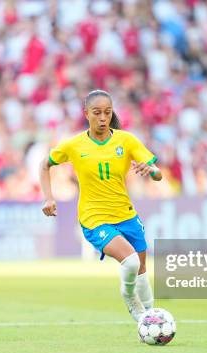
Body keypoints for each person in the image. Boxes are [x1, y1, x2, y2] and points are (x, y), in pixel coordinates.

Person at [39, 89, 163, 321]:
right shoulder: (74, 145)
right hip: (94, 219)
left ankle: (151, 320)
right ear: (86, 113)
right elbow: (44, 165)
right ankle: (129, 298)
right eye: (97, 113)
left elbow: (157, 174)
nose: (103, 118)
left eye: (107, 112)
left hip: (126, 215)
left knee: (142, 272)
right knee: (131, 262)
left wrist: (152, 171)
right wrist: (49, 197)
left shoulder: (126, 140)